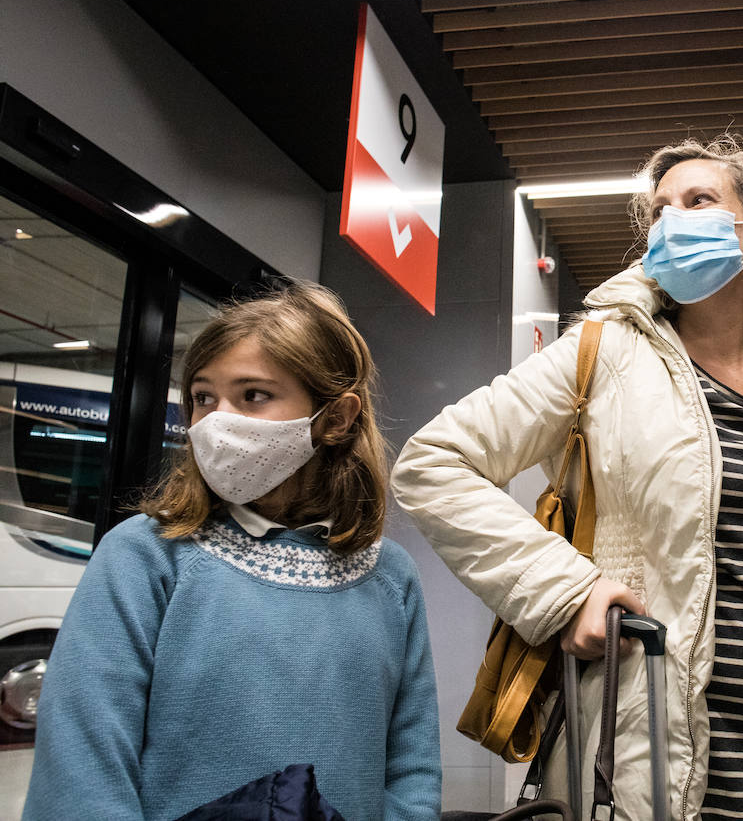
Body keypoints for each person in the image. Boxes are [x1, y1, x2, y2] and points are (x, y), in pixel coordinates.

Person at [391, 134, 743, 821]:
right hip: (677, 755)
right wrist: (566, 591)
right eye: (660, 211)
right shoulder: (604, 357)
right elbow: (433, 461)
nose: (672, 221)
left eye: (699, 201)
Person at [23, 280, 441, 821]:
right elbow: (81, 765)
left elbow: (412, 769)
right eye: (203, 397)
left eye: (253, 395)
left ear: (334, 419)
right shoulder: (145, 556)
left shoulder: (390, 576)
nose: (217, 421)